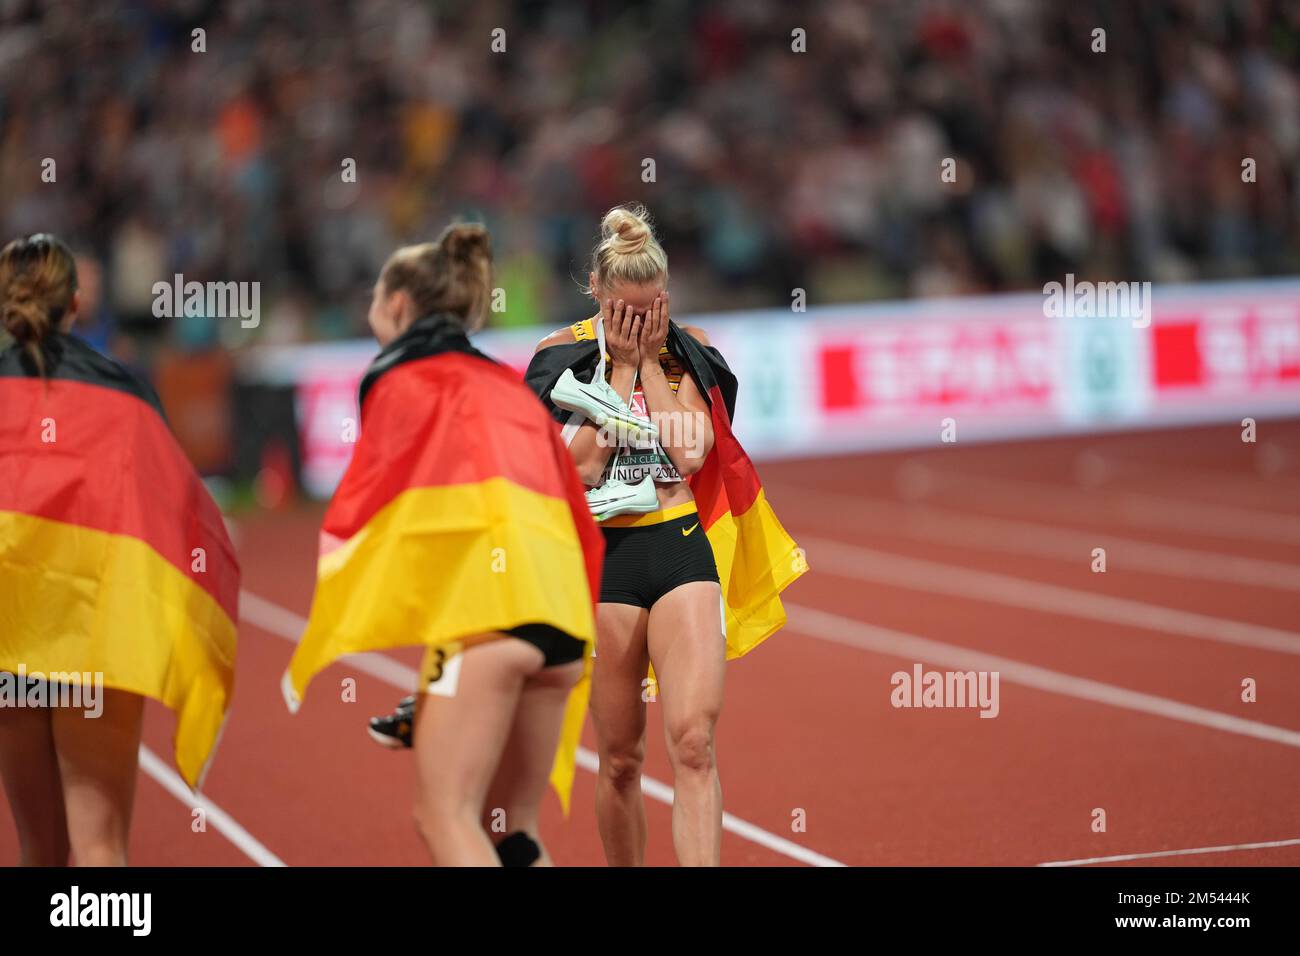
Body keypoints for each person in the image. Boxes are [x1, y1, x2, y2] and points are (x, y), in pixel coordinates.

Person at [370, 205, 806, 866]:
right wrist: (620, 375)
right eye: (626, 310)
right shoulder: (558, 357)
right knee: (623, 759)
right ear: (598, 293)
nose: (640, 320)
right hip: (606, 563)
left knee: (693, 742)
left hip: (680, 544)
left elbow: (690, 452)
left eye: (651, 307)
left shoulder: (688, 350)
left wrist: (651, 365)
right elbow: (564, 468)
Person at [283, 223, 603, 867]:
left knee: (446, 816)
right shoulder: (504, 383)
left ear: (398, 305)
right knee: (512, 833)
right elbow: (566, 497)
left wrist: (444, 661)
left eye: (376, 295)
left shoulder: (394, 376)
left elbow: (406, 523)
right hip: (561, 615)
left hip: (488, 623)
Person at [0, 234, 239, 866]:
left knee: (38, 851)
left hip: (12, 646)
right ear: (76, 302)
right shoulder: (121, 394)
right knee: (100, 846)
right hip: (95, 643)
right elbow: (179, 515)